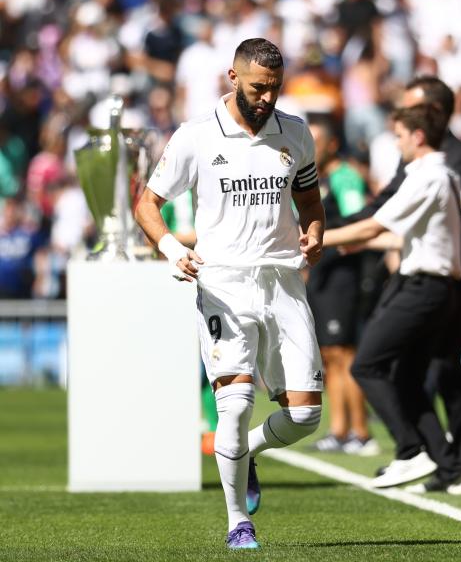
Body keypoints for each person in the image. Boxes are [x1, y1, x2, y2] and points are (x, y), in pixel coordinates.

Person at [134, 38, 325, 550]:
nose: (267, 98)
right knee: (235, 406)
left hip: (284, 282)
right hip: (223, 284)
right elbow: (147, 205)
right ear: (232, 77)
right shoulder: (196, 136)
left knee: (306, 415)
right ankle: (238, 520)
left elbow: (309, 196)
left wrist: (315, 228)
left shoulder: (296, 133)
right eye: (259, 87)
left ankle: (250, 454)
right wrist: (173, 249)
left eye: (275, 89)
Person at [339, 76, 461, 489]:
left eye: (406, 123)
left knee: (436, 374)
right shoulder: (421, 165)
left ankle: (436, 459)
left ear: (428, 120)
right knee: (410, 374)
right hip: (423, 277)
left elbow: (455, 225)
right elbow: (385, 213)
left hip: (438, 282)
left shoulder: (452, 165)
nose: (397, 140)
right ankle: (447, 465)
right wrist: (347, 234)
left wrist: (329, 238)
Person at [304, 119, 378, 456]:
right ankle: (339, 429)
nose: (311, 147)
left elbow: (358, 219)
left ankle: (360, 432)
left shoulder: (344, 177)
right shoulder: (313, 179)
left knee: (345, 352)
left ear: (333, 144)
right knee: (331, 354)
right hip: (323, 275)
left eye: (317, 141)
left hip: (343, 276)